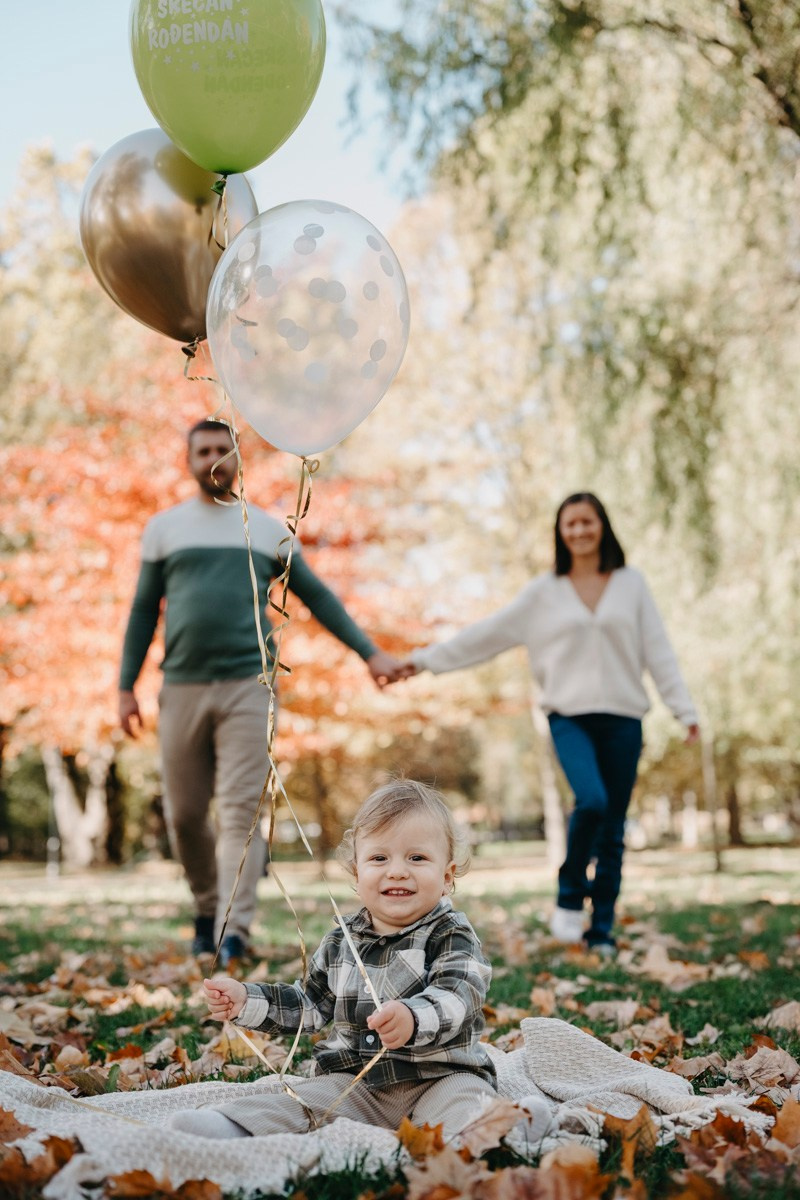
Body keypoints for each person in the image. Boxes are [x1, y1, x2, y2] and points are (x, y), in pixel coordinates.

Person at [119, 419, 402, 966]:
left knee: (240, 813)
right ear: (188, 460)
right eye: (202, 451)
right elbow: (140, 612)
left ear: (238, 459)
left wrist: (371, 654)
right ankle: (208, 908)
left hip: (250, 686)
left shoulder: (268, 529)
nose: (213, 459)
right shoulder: (164, 529)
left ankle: (233, 930)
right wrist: (124, 686)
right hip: (180, 687)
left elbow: (320, 599)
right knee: (182, 813)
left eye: (223, 450)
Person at [400, 493, 699, 956]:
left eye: (587, 522)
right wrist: (422, 661)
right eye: (570, 524)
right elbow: (486, 635)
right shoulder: (545, 592)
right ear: (561, 533)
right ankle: (568, 890)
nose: (579, 531)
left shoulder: (630, 584)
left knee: (614, 830)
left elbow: (658, 650)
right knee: (592, 801)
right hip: (569, 717)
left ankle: (600, 930)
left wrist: (685, 710)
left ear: (603, 526)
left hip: (624, 718)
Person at [167, 779, 497, 1141]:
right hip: (356, 1083)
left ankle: (509, 1129)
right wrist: (246, 1000)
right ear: (357, 874)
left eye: (417, 858)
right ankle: (235, 1125)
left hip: (439, 1078)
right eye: (379, 858)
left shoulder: (450, 933)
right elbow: (309, 1004)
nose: (397, 871)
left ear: (447, 877)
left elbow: (460, 993)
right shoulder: (341, 940)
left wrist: (413, 1017)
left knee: (469, 1105)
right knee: (301, 1100)